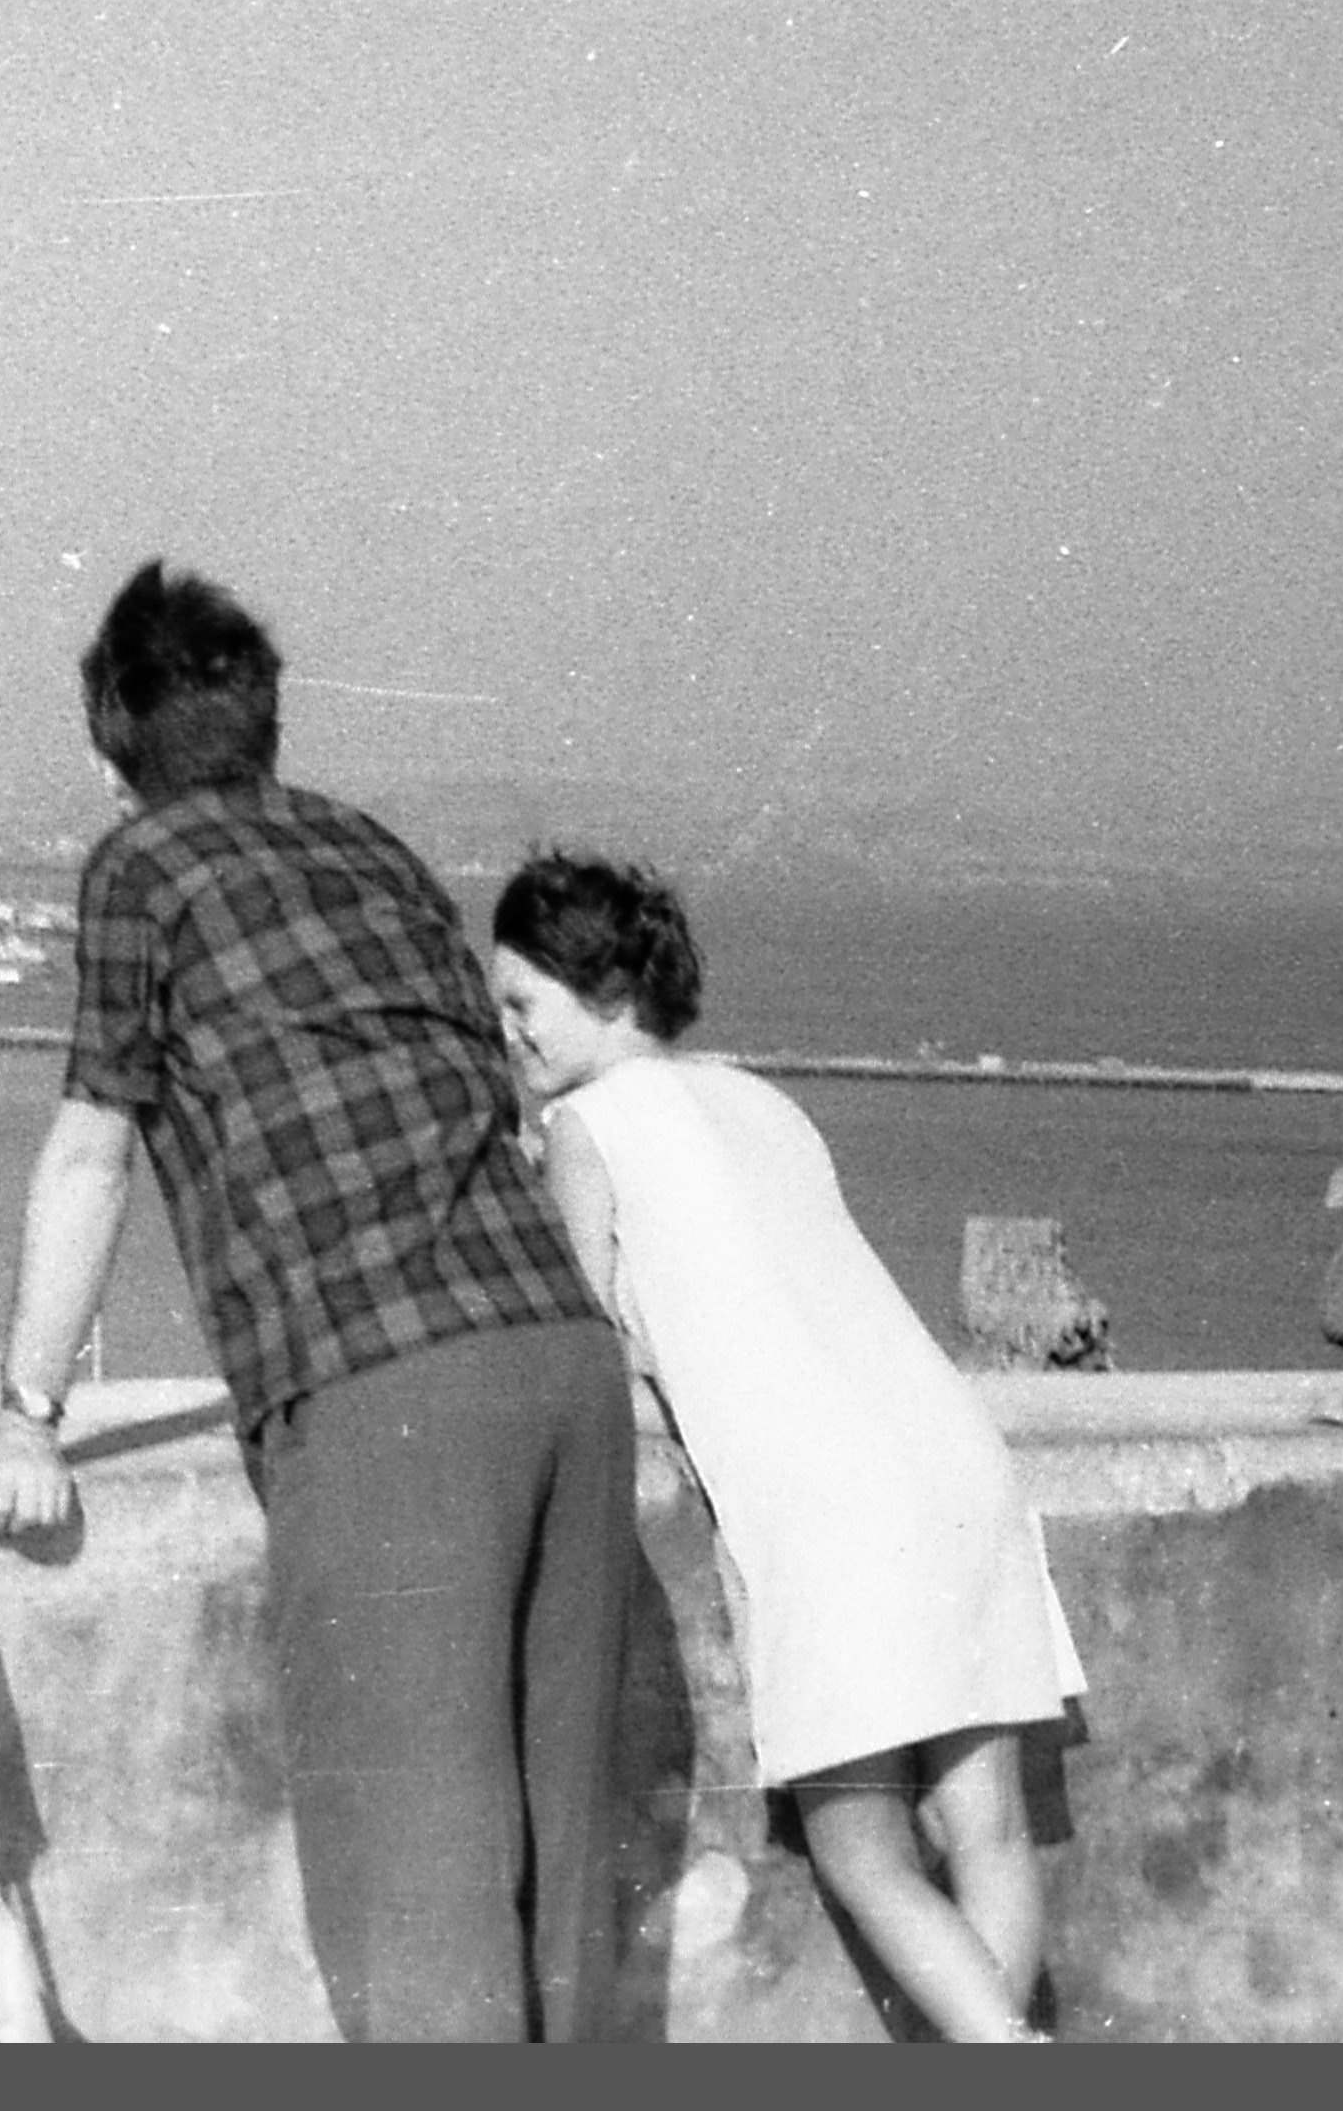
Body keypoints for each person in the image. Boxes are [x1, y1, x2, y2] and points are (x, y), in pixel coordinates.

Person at [0, 562, 636, 2041]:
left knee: (420, 1901)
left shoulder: (141, 865)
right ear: (266, 719)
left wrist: (26, 1414)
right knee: (563, 1891)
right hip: (564, 1364)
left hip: (387, 1387)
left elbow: (92, 1151)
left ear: (112, 742)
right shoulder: (375, 848)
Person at [485, 852, 1084, 2043]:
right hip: (955, 1460)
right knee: (990, 1829)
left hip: (830, 1507)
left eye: (521, 1001)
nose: (506, 1030)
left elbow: (585, 1329)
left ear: (607, 991)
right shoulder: (764, 1098)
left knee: (861, 1848)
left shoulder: (584, 1124)